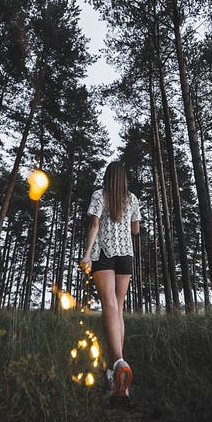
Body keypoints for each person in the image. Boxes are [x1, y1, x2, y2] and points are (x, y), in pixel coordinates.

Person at [81, 161, 140, 398]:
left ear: (107, 177)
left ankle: (118, 362)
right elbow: (136, 230)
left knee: (109, 305)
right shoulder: (133, 199)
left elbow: (94, 223)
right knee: (119, 308)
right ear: (124, 179)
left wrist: (86, 255)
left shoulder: (99, 195)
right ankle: (112, 369)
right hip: (126, 256)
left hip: (104, 254)